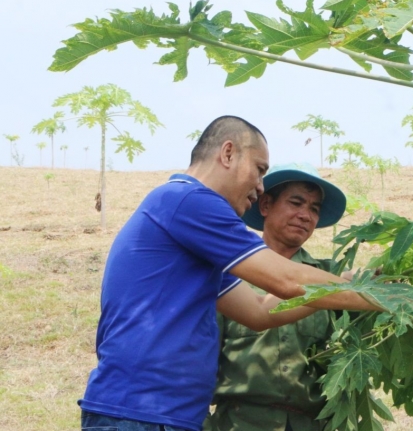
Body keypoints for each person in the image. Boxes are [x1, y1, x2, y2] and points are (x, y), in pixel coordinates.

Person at [79, 116, 383, 431]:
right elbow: (285, 280)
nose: (260, 186)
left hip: (165, 416)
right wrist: (385, 299)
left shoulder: (196, 238)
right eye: (259, 170)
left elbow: (259, 311)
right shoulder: (188, 200)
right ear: (227, 153)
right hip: (138, 414)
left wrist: (351, 285)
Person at [204, 162, 347, 431]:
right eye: (296, 203)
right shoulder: (228, 276)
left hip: (314, 423)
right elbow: (199, 364)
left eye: (314, 209)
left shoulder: (331, 276)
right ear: (266, 205)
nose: (306, 215)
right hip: (241, 423)